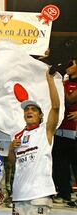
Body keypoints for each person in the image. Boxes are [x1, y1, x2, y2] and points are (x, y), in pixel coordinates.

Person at [8, 70, 60, 215]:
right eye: (26, 109)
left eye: (33, 109)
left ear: (40, 115)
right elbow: (12, 163)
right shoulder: (18, 136)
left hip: (40, 191)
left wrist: (49, 79)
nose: (29, 111)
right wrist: (10, 149)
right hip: (20, 191)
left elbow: (56, 107)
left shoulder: (46, 131)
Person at [52, 57, 77, 205]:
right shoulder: (64, 83)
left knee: (75, 164)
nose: (68, 66)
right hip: (60, 129)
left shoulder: (62, 84)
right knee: (60, 163)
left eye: (72, 64)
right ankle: (64, 193)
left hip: (74, 131)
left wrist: (59, 85)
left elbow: (69, 100)